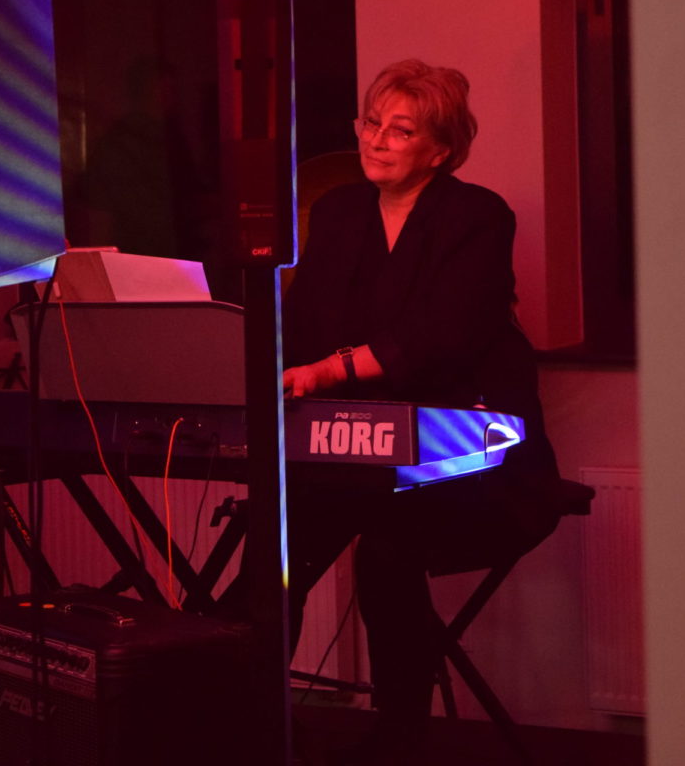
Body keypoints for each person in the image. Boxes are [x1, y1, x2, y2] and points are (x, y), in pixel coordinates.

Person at [227, 59, 559, 765]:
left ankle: (398, 738)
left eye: (400, 130)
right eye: (371, 123)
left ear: (440, 151)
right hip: (350, 456)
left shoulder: (478, 216)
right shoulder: (339, 212)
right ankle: (244, 727)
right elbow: (303, 321)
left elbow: (444, 334)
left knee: (387, 554)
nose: (376, 140)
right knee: (270, 556)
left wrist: (328, 371)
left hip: (470, 455)